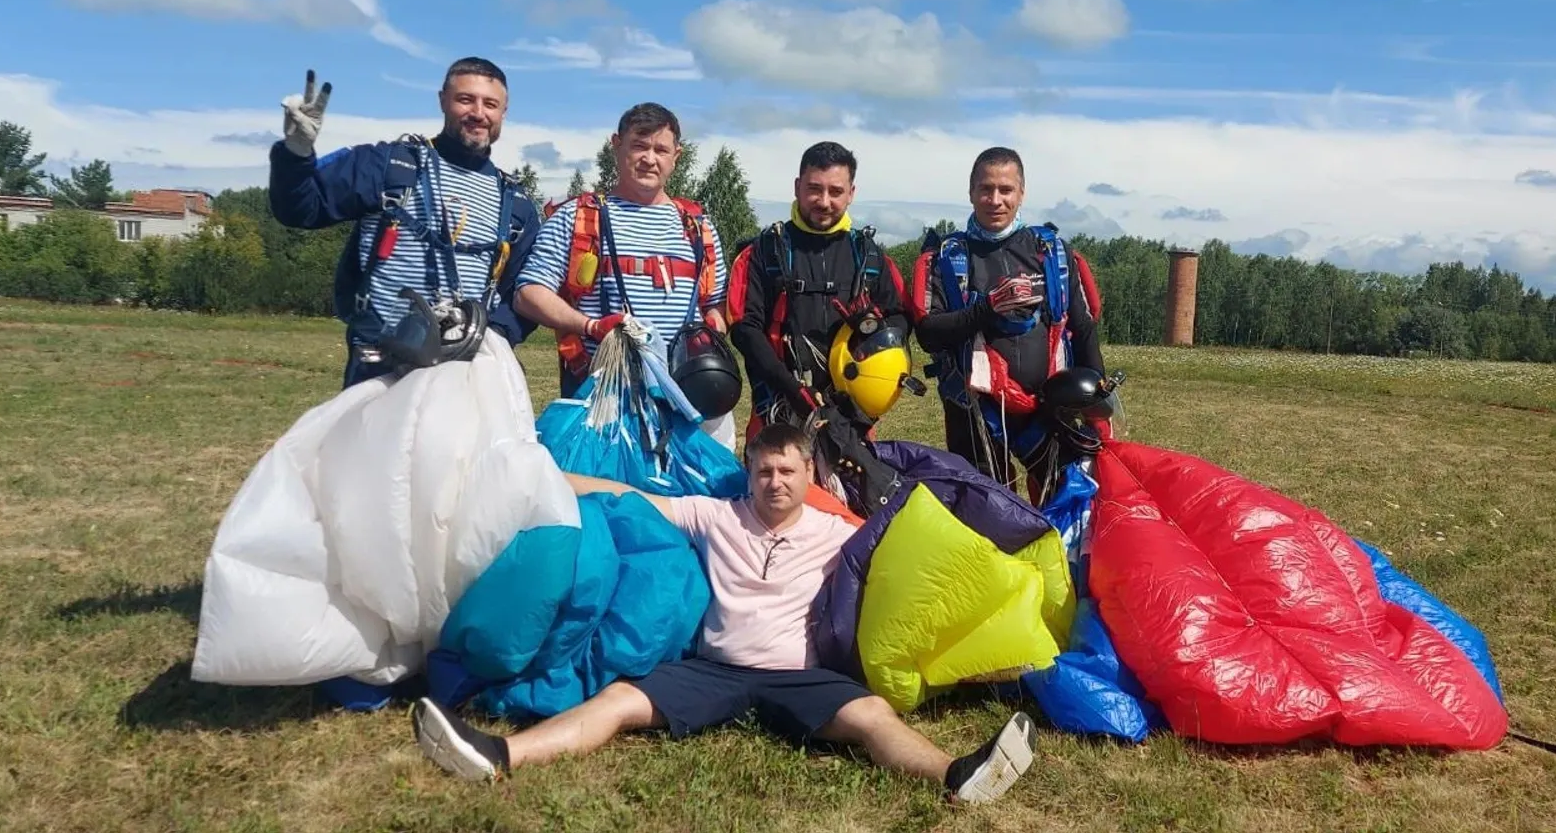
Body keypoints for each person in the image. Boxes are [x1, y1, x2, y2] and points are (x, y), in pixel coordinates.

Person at [410, 423, 1039, 805]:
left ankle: (956, 775)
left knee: (871, 715)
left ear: (807, 474)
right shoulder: (715, 515)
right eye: (763, 471)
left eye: (787, 471)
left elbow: (920, 546)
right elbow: (629, 496)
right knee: (620, 704)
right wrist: (537, 474)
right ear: (749, 473)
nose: (774, 483)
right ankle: (498, 756)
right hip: (711, 671)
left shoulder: (838, 531)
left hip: (799, 676)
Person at [269, 58, 541, 389]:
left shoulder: (516, 204)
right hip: (379, 370)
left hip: (466, 376)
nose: (478, 113)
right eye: (465, 99)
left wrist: (492, 338)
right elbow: (301, 209)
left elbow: (522, 295)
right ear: (443, 100)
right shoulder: (387, 165)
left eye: (491, 104)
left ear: (504, 112)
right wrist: (296, 154)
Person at [513, 102, 735, 449]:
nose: (650, 159)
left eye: (661, 149)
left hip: (689, 399)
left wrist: (709, 340)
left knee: (696, 501)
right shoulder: (578, 217)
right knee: (608, 498)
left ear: (676, 156)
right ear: (616, 145)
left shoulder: (697, 225)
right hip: (604, 397)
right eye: (639, 146)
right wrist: (590, 326)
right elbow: (528, 293)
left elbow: (716, 303)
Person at [910, 146, 1105, 496]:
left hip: (1048, 408)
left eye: (1006, 190)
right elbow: (928, 334)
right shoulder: (947, 258)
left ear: (1021, 193)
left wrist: (1098, 404)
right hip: (974, 411)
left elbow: (1083, 327)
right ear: (971, 193)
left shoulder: (1051, 252)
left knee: (1066, 502)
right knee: (987, 515)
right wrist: (988, 309)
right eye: (986, 189)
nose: (995, 200)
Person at [728, 141, 914, 442]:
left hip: (852, 413)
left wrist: (874, 329)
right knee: (774, 489)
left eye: (836, 191)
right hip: (778, 408)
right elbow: (744, 329)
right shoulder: (765, 251)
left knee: (852, 490)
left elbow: (900, 318)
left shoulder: (869, 256)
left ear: (851, 193)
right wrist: (790, 387)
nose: (824, 201)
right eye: (814, 189)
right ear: (797, 187)